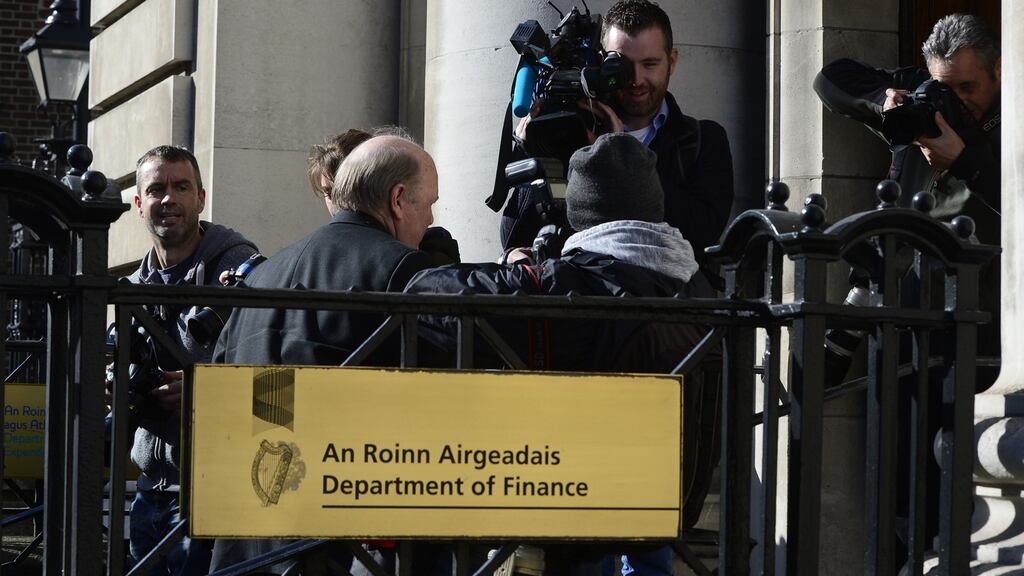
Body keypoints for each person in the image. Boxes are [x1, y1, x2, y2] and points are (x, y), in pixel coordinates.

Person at [407, 133, 719, 576]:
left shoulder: (568, 282)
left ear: (582, 212)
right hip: (666, 495)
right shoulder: (698, 286)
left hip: (577, 502)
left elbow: (427, 293)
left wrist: (518, 272)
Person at [210, 132, 441, 573]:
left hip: (248, 539)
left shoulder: (264, 274)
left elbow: (219, 399)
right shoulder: (402, 267)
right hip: (344, 543)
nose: (431, 218)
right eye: (428, 202)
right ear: (397, 199)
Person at [814, 13, 1000, 385]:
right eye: (946, 88)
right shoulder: (924, 95)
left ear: (999, 69)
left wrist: (962, 161)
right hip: (906, 320)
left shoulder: (1015, 116)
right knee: (898, 435)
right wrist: (886, 102)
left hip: (984, 323)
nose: (958, 103)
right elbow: (830, 79)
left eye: (967, 87)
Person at [501, 0, 736, 278]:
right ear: (601, 60)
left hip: (665, 307)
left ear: (671, 61)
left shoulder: (702, 139)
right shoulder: (572, 132)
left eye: (650, 64)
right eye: (621, 65)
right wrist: (537, 152)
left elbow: (702, 232)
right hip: (580, 305)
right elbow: (513, 236)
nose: (636, 79)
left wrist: (619, 152)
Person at [119, 145, 259, 575]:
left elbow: (274, 373)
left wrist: (206, 390)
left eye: (181, 187)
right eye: (156, 189)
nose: (169, 199)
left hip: (216, 488)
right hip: (149, 488)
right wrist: (118, 382)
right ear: (139, 203)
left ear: (201, 197)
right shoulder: (131, 285)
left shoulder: (241, 269)